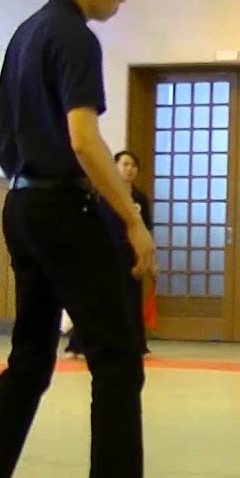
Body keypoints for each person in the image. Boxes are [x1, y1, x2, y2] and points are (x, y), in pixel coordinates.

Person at [0, 0, 180, 478]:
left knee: (29, 357)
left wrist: (32, 185)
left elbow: (2, 134)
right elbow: (85, 139)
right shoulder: (74, 37)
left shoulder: (27, 32)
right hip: (64, 209)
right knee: (117, 356)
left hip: (22, 205)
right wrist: (133, 220)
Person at [65, 150, 154, 359]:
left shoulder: (140, 199)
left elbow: (146, 230)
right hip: (103, 253)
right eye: (125, 164)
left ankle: (136, 346)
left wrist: (149, 260)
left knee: (131, 302)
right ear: (115, 168)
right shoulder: (102, 194)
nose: (129, 169)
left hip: (131, 255)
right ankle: (78, 345)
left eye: (133, 165)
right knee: (96, 300)